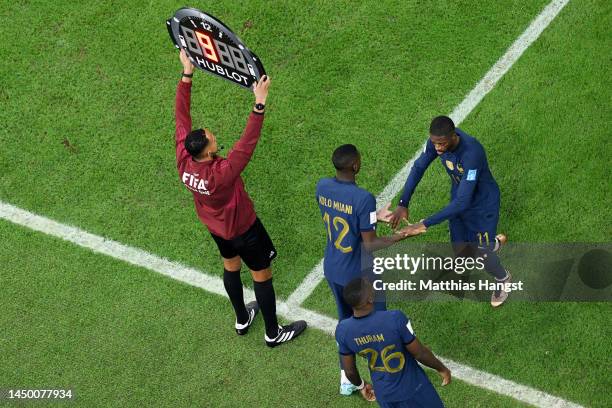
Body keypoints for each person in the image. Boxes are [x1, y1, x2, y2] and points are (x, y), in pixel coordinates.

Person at [175, 49, 306, 347]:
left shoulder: (184, 159)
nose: (214, 135)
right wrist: (259, 102)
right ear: (208, 151)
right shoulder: (222, 172)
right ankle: (273, 333)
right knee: (262, 274)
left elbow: (181, 117)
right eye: (211, 136)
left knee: (230, 266)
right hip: (245, 231)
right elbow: (247, 143)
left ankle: (241, 318)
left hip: (217, 230)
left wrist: (187, 74)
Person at [315, 144, 424, 395]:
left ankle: (347, 379)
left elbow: (341, 215)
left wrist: (371, 216)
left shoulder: (322, 186)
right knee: (379, 326)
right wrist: (403, 235)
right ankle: (392, 376)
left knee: (346, 325)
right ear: (355, 165)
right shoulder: (362, 198)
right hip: (360, 275)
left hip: (333, 267)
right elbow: (371, 243)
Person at [389, 116, 511, 307]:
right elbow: (419, 166)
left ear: (454, 136)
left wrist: (424, 223)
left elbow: (463, 202)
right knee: (461, 251)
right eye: (434, 143)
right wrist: (403, 203)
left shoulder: (472, 153)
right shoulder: (437, 142)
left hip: (482, 205)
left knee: (481, 253)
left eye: (442, 144)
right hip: (459, 199)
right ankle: (493, 242)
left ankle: (503, 278)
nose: (437, 148)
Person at [336, 278, 450, 407]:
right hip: (415, 388)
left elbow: (349, 371)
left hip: (385, 395)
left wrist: (361, 385)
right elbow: (420, 353)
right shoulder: (395, 318)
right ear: (370, 299)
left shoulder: (343, 330)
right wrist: (442, 368)